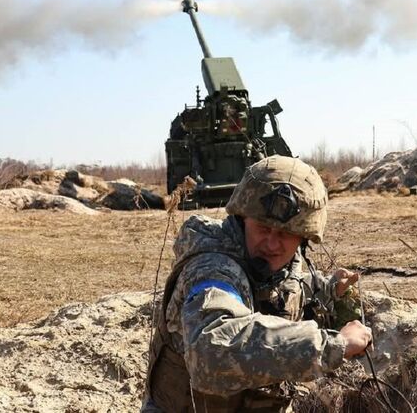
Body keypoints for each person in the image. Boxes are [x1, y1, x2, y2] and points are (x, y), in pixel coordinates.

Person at [143, 155, 372, 412]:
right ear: (242, 219)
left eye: (286, 234)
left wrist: (329, 289)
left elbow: (284, 290)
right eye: (263, 228)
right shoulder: (212, 269)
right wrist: (332, 346)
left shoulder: (277, 265)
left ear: (304, 238)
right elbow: (212, 350)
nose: (272, 244)